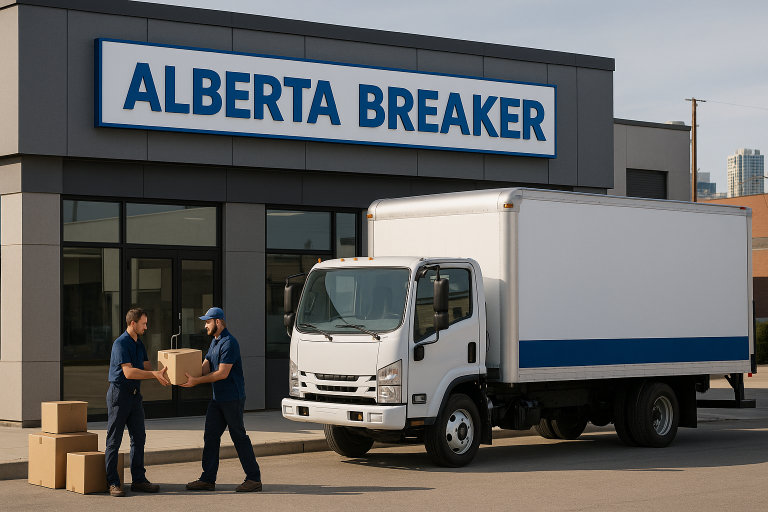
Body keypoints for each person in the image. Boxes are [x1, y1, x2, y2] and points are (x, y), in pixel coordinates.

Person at [182, 307, 262, 492]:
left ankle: (253, 478)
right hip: (218, 399)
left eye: (208, 321)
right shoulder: (215, 342)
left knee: (239, 437)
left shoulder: (229, 343)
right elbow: (206, 366)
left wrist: (196, 382)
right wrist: (184, 376)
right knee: (210, 436)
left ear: (217, 322)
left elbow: (222, 373)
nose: (205, 325)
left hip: (232, 398)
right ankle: (208, 479)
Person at [105, 308, 170, 497]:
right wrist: (154, 374)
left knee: (139, 438)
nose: (146, 327)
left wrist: (170, 371)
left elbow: (149, 368)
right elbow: (129, 372)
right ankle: (113, 482)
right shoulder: (120, 344)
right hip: (119, 395)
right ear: (133, 323)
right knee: (114, 441)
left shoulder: (139, 344)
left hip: (134, 396)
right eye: (143, 323)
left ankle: (139, 480)